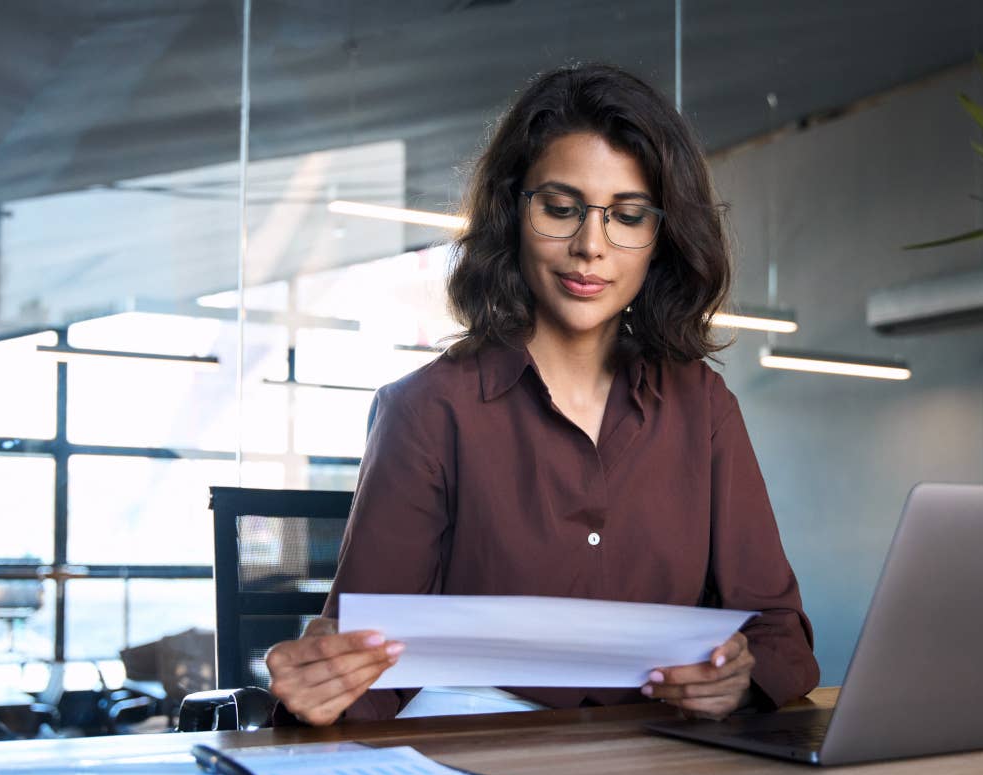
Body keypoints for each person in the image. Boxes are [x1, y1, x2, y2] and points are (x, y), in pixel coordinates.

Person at [266, 63, 819, 727]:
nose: (591, 246)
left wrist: (740, 678)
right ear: (512, 214)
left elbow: (781, 637)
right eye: (560, 209)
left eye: (628, 216)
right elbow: (363, 672)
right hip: (480, 752)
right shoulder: (428, 411)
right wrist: (320, 686)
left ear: (660, 239)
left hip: (662, 761)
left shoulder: (702, 408)